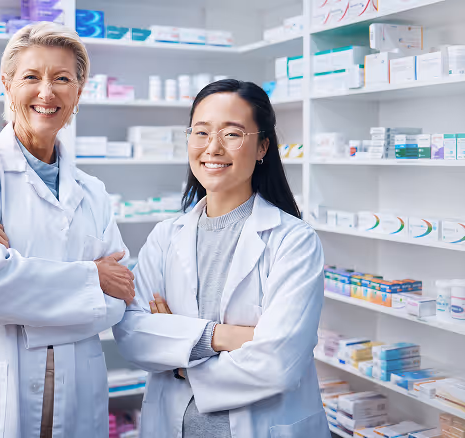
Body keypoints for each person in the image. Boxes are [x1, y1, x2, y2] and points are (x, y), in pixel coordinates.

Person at [0, 22, 135, 438]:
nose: (46, 92)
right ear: (7, 86)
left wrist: (23, 273)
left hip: (76, 387)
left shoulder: (94, 192)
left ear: (79, 92)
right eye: (31, 77)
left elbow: (118, 299)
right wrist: (91, 276)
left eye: (62, 79)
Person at [113, 79, 331, 437]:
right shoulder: (166, 238)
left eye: (231, 134)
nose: (212, 148)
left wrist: (182, 361)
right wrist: (222, 336)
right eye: (201, 132)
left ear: (262, 146)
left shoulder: (293, 240)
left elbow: (278, 361)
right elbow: (134, 336)